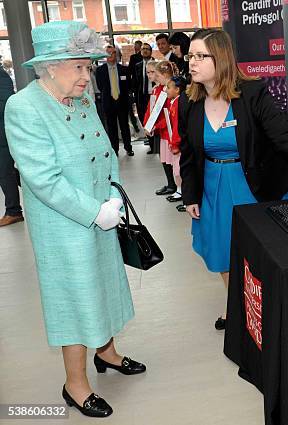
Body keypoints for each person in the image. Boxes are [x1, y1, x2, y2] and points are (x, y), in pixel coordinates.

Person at [4, 21, 145, 418]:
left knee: (105, 283)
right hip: (63, 225)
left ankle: (108, 352)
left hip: (102, 211)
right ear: (50, 66)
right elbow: (42, 178)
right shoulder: (24, 107)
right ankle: (75, 384)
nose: (88, 75)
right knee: (74, 297)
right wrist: (93, 211)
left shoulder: (80, 100)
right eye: (80, 67)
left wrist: (114, 198)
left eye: (89, 66)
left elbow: (107, 150)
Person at [179, 29, 288, 330]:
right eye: (191, 56)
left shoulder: (252, 93)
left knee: (262, 251)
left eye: (200, 56)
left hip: (252, 183)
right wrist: (190, 195)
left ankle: (267, 311)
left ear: (221, 58)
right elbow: (188, 154)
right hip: (212, 185)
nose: (192, 62)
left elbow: (280, 133)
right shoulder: (189, 102)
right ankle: (235, 307)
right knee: (221, 250)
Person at [144, 60, 179, 196]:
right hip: (160, 130)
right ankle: (171, 184)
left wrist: (155, 125)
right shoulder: (157, 89)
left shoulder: (169, 90)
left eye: (156, 74)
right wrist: (148, 124)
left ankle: (177, 186)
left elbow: (169, 114)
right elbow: (152, 109)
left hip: (168, 130)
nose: (155, 78)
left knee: (173, 161)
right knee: (165, 159)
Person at [95, 45, 134, 156]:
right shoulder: (100, 70)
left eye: (112, 53)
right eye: (108, 53)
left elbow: (128, 85)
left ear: (116, 55)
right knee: (111, 127)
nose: (110, 55)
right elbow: (100, 86)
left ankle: (128, 147)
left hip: (122, 102)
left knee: (124, 126)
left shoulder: (124, 69)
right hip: (108, 102)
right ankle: (115, 149)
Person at [0, 65, 23, 227]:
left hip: (3, 134)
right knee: (6, 172)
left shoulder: (1, 76)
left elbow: (7, 102)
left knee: (4, 171)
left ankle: (14, 211)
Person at [166, 76, 188, 211]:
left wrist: (175, 143)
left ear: (178, 89)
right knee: (177, 171)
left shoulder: (180, 103)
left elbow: (177, 126)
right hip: (175, 143)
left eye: (169, 87)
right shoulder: (174, 102)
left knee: (182, 171)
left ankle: (187, 198)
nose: (166, 90)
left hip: (179, 145)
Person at [131, 43, 155, 153]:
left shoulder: (157, 64)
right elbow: (135, 83)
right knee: (143, 120)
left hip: (153, 96)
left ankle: (156, 145)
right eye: (143, 49)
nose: (145, 51)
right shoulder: (138, 65)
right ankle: (151, 144)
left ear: (151, 51)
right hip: (141, 97)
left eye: (147, 49)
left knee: (154, 120)